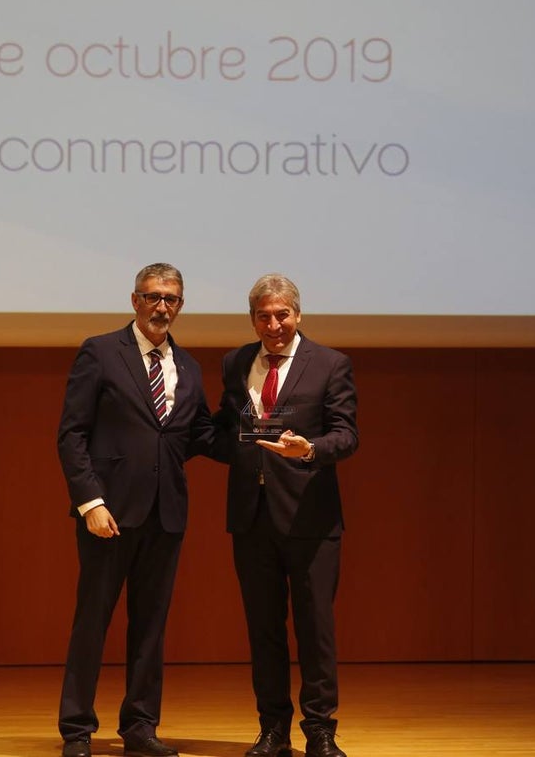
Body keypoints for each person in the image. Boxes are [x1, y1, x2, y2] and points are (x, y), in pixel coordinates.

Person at [56, 263, 212, 757]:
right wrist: (90, 502)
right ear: (134, 300)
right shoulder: (100, 352)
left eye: (171, 299)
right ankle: (77, 729)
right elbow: (71, 434)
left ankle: (140, 727)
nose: (161, 307)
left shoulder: (188, 367)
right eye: (152, 297)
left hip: (166, 517)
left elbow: (198, 435)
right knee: (92, 623)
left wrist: (260, 439)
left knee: (150, 627)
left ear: (180, 306)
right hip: (109, 515)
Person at [211, 274, 359, 757]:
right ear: (252, 318)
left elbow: (347, 435)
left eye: (282, 315)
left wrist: (309, 448)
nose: (273, 325)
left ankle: (320, 731)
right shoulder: (235, 362)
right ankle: (272, 729)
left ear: (298, 314)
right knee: (264, 629)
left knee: (315, 629)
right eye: (263, 316)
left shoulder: (331, 364)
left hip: (310, 520)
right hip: (251, 518)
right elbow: (224, 427)